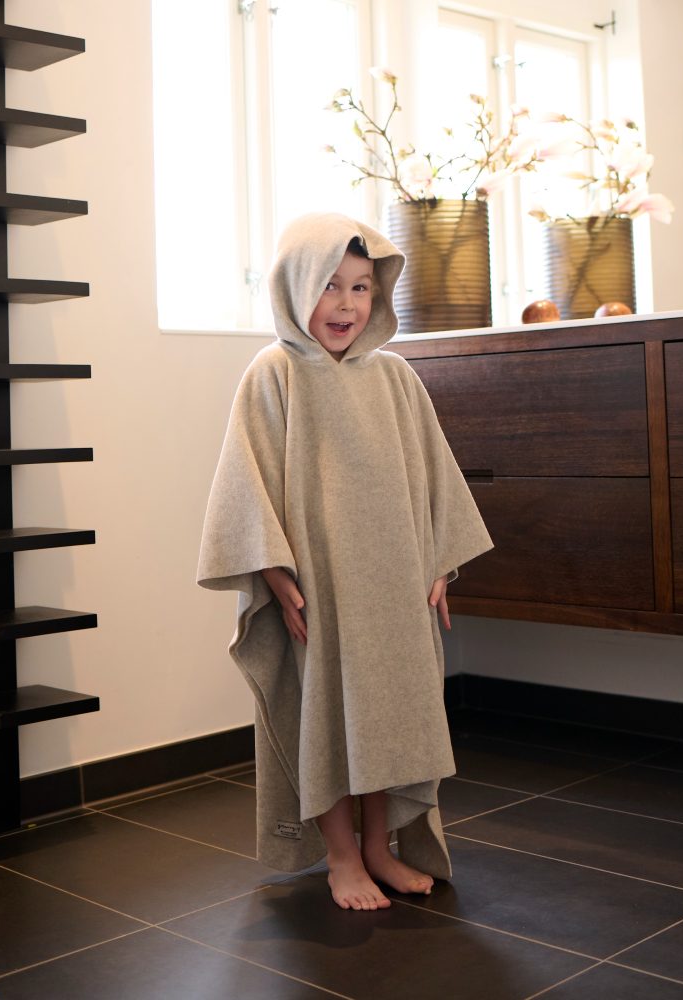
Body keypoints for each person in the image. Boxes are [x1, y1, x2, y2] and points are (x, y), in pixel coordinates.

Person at [196, 212, 492, 911]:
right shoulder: (274, 376)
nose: (348, 304)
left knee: (388, 712)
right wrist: (270, 567)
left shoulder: (393, 378)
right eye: (331, 286)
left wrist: (441, 562)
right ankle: (338, 856)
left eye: (361, 287)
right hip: (317, 587)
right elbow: (247, 481)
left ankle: (379, 848)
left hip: (394, 583)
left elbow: (434, 477)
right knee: (326, 712)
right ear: (296, 287)